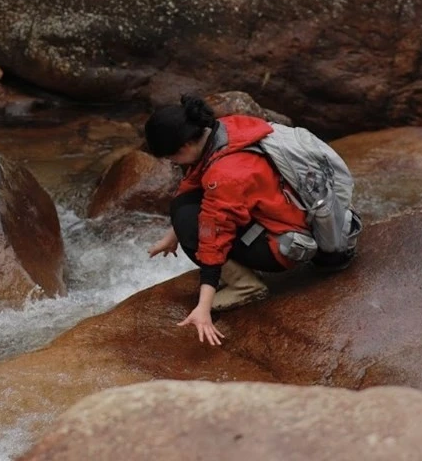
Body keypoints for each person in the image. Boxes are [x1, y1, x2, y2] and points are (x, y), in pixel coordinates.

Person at [145, 95, 355, 346]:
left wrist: (203, 306)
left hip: (282, 248)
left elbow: (213, 239)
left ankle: (244, 285)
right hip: (296, 218)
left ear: (187, 145)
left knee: (188, 220)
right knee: (185, 207)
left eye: (172, 158)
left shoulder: (225, 174)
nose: (173, 163)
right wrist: (171, 236)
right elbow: (195, 181)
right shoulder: (227, 129)